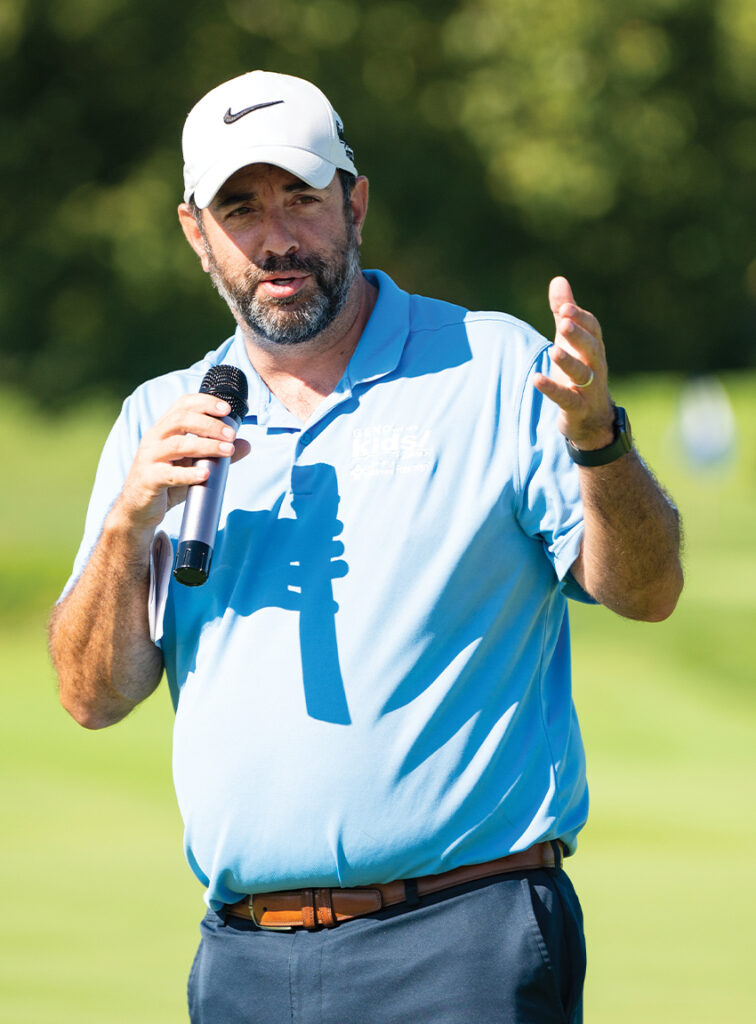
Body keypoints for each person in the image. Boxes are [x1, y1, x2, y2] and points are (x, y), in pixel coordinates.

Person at [49, 70, 683, 1024]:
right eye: (240, 209)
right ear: (196, 233)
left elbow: (647, 590)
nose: (276, 238)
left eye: (301, 198)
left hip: (463, 942)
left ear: (355, 203)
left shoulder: (493, 367)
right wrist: (126, 528)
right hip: (245, 960)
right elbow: (91, 698)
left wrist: (599, 439)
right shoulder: (161, 417)